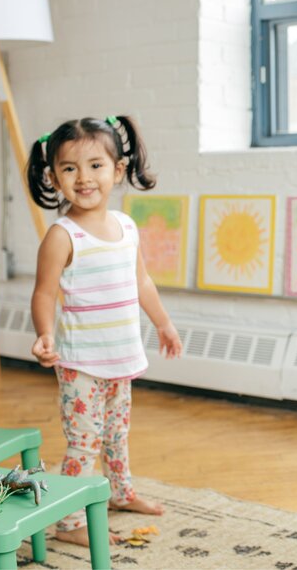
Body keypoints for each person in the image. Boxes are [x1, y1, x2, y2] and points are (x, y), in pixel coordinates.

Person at [27, 115, 183, 547]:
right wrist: (45, 334)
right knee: (84, 443)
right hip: (80, 365)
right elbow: (43, 293)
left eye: (95, 165)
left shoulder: (126, 227)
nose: (84, 178)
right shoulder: (62, 235)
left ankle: (120, 493)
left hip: (120, 359)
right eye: (70, 168)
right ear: (53, 176)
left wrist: (164, 323)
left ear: (117, 170)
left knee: (116, 434)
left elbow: (142, 282)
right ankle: (70, 519)